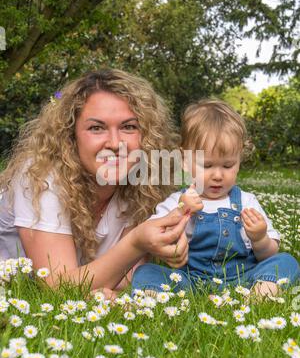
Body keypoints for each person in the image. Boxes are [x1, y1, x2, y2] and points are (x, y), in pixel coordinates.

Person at [0, 69, 190, 295]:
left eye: (129, 126)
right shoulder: (39, 176)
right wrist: (137, 242)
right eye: (96, 128)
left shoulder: (140, 184)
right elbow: (59, 287)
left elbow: (126, 278)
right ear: (71, 136)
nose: (115, 142)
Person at [131, 99, 300, 299]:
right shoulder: (177, 200)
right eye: (207, 165)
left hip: (243, 278)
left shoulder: (247, 201)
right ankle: (151, 296)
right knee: (146, 271)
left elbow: (268, 255)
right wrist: (181, 212)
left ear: (239, 161)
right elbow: (155, 236)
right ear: (184, 160)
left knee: (286, 261)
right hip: (191, 280)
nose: (218, 175)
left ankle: (258, 294)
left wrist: (260, 238)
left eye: (227, 165)